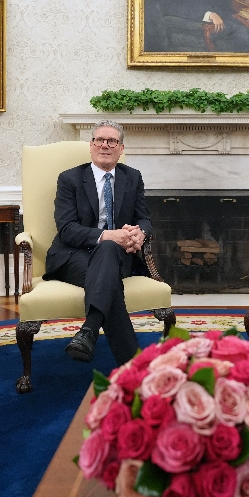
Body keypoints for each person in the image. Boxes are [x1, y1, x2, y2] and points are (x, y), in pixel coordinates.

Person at [47, 121, 152, 366]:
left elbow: (144, 218)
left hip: (118, 256)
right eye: (99, 140)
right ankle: (134, 368)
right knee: (109, 277)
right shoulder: (70, 179)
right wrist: (107, 235)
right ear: (91, 145)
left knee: (108, 252)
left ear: (121, 148)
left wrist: (140, 233)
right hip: (73, 256)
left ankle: (89, 330)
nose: (105, 145)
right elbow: (66, 229)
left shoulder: (132, 177)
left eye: (112, 141)